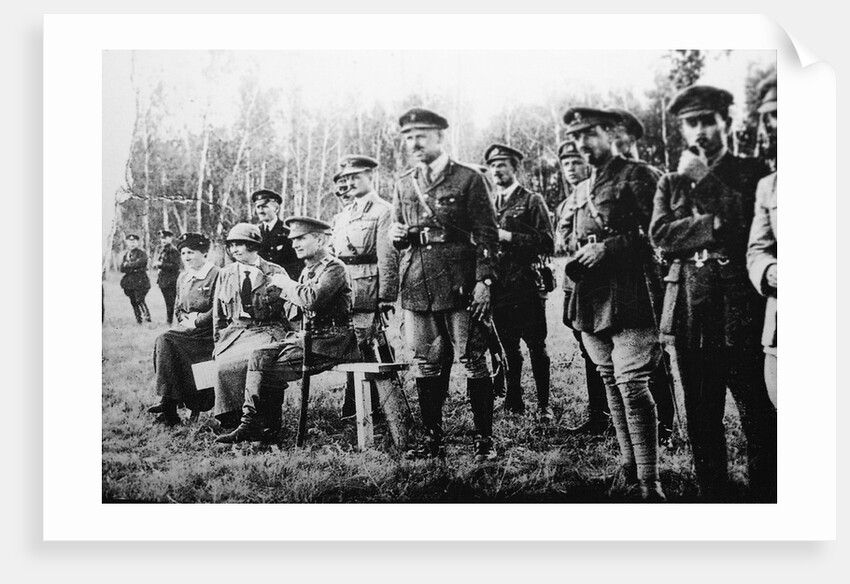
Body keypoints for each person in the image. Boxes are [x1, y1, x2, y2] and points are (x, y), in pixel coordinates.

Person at [649, 84, 777, 502]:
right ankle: (713, 498)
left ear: (727, 122)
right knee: (702, 415)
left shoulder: (751, 171)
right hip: (690, 308)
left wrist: (705, 183)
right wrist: (714, 225)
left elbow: (746, 224)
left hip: (740, 308)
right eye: (691, 124)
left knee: (757, 411)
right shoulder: (670, 180)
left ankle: (766, 496)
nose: (700, 131)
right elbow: (662, 236)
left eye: (708, 121)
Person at [562, 107, 666, 501]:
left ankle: (650, 482)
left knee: (633, 384)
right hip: (594, 296)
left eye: (590, 135)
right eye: (576, 138)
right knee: (610, 381)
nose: (582, 145)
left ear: (611, 133)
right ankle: (628, 469)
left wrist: (611, 247)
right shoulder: (587, 185)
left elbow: (661, 234)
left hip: (634, 292)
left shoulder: (638, 174)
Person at [386, 107, 500, 462]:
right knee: (425, 362)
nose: (414, 143)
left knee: (472, 360)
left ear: (439, 136)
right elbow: (396, 231)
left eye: (421, 136)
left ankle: (484, 438)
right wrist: (398, 235)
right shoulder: (404, 183)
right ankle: (433, 437)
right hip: (418, 284)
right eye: (408, 138)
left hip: (460, 283)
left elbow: (487, 234)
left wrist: (484, 280)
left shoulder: (468, 179)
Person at [216, 217, 360, 444]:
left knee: (268, 370)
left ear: (320, 239)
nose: (295, 245)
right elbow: (297, 310)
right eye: (293, 240)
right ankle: (249, 423)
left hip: (334, 342)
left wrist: (285, 284)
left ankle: (268, 429)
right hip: (310, 338)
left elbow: (312, 300)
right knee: (259, 354)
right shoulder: (309, 270)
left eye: (301, 238)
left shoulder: (335, 268)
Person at [485, 143, 554, 420]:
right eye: (492, 166)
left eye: (502, 165)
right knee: (508, 347)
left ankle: (544, 405)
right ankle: (514, 399)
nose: (496, 170)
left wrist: (508, 237)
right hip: (499, 287)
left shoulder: (531, 200)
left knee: (536, 346)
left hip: (526, 284)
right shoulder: (489, 204)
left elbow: (547, 242)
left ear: (515, 168)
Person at [330, 155, 400, 420]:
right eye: (346, 178)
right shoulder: (345, 213)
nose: (350, 183)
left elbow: (387, 256)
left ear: (372, 176)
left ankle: (371, 410)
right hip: (342, 288)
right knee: (349, 346)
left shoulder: (383, 211)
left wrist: (386, 296)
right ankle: (355, 407)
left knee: (364, 346)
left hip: (367, 288)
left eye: (356, 177)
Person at [211, 223, 293, 430]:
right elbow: (218, 313)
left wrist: (292, 336)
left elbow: (290, 308)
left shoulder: (274, 271)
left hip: (268, 330)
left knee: (251, 365)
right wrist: (218, 339)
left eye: (241, 244)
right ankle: (234, 421)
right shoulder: (226, 273)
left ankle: (262, 423)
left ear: (254, 246)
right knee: (222, 366)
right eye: (232, 245)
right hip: (236, 332)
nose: (235, 249)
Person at [554, 140, 610, 435]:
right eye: (566, 164)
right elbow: (561, 248)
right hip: (575, 287)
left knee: (624, 354)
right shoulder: (567, 203)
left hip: (605, 286)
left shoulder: (600, 197)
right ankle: (599, 416)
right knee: (588, 349)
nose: (571, 169)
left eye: (576, 162)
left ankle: (653, 422)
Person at [149, 233, 220, 425]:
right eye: (183, 253)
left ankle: (168, 404)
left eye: (191, 252)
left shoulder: (216, 275)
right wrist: (185, 320)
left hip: (208, 334)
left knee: (165, 340)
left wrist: (199, 320)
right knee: (166, 341)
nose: (187, 257)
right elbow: (178, 307)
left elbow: (219, 307)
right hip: (187, 331)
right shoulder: (183, 277)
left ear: (204, 253)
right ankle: (169, 406)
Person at [747, 74, 778, 407]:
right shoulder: (769, 185)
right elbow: (758, 248)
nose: (775, 124)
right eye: (770, 116)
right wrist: (768, 270)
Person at [251, 189, 303, 279]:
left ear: (276, 209)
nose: (260, 211)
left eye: (264, 207)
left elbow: (298, 265)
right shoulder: (254, 232)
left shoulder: (289, 233)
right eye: (258, 207)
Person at [119, 234, 151, 324]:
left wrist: (128, 265)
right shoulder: (127, 254)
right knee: (133, 301)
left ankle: (147, 317)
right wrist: (128, 265)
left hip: (140, 279)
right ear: (127, 243)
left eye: (134, 241)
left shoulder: (142, 253)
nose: (132, 244)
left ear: (137, 242)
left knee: (140, 299)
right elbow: (121, 268)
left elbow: (141, 263)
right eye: (130, 242)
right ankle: (138, 319)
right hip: (130, 281)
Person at [152, 229, 182, 326]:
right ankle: (170, 321)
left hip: (171, 280)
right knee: (168, 302)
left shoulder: (173, 251)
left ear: (171, 238)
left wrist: (160, 264)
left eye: (165, 238)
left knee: (171, 302)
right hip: (164, 280)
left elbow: (175, 266)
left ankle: (171, 322)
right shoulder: (163, 250)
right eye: (162, 238)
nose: (163, 240)